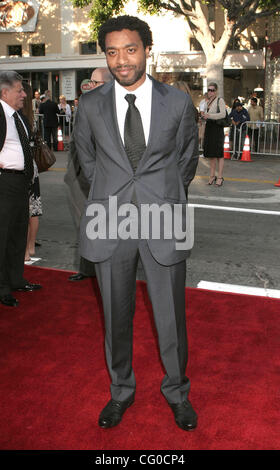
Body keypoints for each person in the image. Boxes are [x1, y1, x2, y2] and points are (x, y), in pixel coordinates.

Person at [74, 15, 199, 431]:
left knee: (171, 316)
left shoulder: (177, 102)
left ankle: (177, 392)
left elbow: (186, 159)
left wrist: (159, 195)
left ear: (147, 50)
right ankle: (120, 392)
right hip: (109, 219)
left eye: (130, 49)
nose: (121, 60)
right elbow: (86, 162)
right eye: (112, 52)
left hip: (163, 216)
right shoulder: (89, 105)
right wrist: (114, 196)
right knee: (115, 315)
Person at [65, 68, 112, 282]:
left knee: (104, 226)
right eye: (90, 82)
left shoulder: (115, 107)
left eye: (96, 82)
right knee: (83, 225)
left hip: (102, 177)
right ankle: (87, 269)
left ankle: (105, 269)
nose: (90, 86)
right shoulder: (86, 104)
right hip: (78, 176)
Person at [0, 71, 42, 307]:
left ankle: (16, 279)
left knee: (17, 234)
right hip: (4, 183)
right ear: (4, 92)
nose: (24, 94)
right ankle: (2, 287)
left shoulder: (17, 117)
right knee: (3, 236)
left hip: (20, 183)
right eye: (19, 90)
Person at [22, 82, 43, 262]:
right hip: (32, 167)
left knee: (23, 209)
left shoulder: (17, 115)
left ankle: (25, 250)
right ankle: (30, 246)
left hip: (22, 166)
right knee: (33, 208)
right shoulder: (31, 115)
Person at [201, 82, 226, 186]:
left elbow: (223, 114)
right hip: (209, 128)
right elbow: (205, 115)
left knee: (219, 154)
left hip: (217, 129)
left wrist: (209, 115)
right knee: (211, 154)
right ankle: (212, 176)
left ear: (216, 91)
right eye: (209, 90)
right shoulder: (207, 102)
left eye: (212, 90)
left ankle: (219, 177)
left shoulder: (220, 100)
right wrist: (202, 116)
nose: (210, 92)